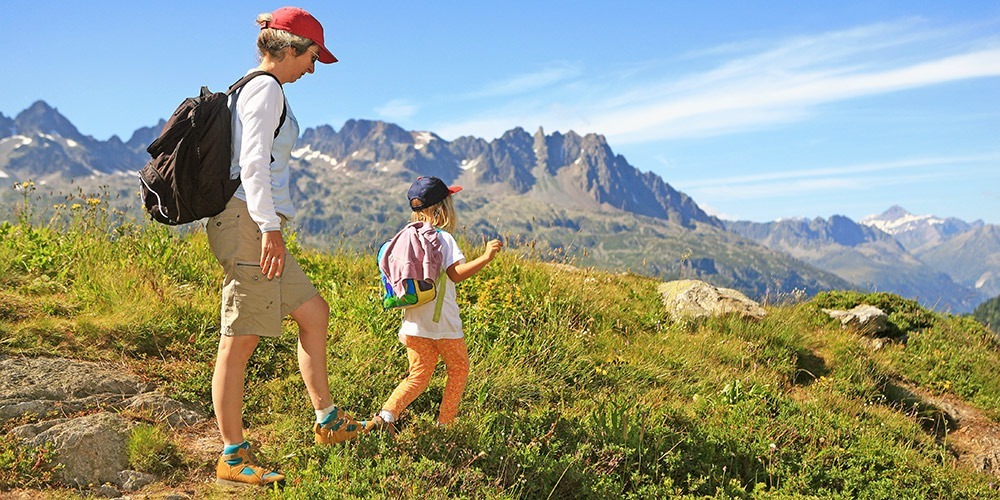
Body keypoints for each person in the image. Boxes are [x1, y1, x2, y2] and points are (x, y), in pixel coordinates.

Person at [207, 7, 364, 487]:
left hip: (251, 221)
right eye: (312, 56)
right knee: (241, 339)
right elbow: (253, 163)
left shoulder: (253, 88)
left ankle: (328, 422)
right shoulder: (265, 89)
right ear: (291, 49)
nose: (313, 68)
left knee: (314, 311)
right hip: (248, 222)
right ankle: (232, 458)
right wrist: (270, 227)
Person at [367, 176, 503, 434]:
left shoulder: (403, 237)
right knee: (459, 369)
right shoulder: (443, 239)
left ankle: (386, 416)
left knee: (418, 375)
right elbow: (456, 274)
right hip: (444, 324)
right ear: (442, 208)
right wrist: (486, 257)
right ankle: (444, 426)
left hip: (413, 324)